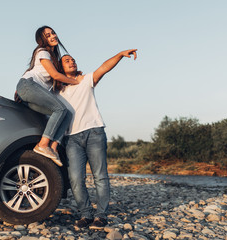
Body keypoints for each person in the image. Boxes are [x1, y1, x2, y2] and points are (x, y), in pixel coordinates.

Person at [57, 49, 137, 229]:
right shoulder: (56, 91)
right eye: (67, 60)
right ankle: (86, 214)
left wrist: (119, 55)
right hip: (71, 138)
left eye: (73, 59)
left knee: (100, 176)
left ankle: (101, 215)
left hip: (94, 132)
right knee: (76, 179)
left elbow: (104, 68)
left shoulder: (85, 80)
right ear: (60, 68)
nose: (72, 61)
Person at [16, 26, 83, 166]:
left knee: (67, 114)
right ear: (42, 40)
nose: (53, 36)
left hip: (31, 91)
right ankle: (43, 144)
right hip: (28, 86)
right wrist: (75, 81)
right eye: (48, 35)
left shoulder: (52, 59)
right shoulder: (42, 52)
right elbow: (55, 75)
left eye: (53, 33)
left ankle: (53, 148)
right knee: (60, 109)